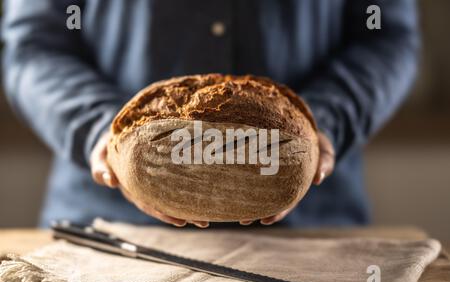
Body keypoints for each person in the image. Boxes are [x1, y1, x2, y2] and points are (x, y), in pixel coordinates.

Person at [1, 0, 419, 228]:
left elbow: (386, 36)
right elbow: (35, 46)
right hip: (109, 229)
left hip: (314, 227)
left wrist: (323, 120)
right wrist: (100, 129)